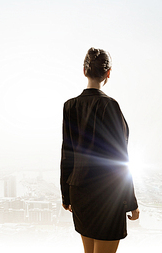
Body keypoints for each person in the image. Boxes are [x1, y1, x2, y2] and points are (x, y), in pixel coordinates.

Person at [60, 47, 140, 253]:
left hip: (79, 193)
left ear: (84, 71)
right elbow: (120, 158)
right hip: (106, 196)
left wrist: (66, 195)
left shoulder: (70, 106)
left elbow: (67, 154)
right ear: (109, 72)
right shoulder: (110, 106)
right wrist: (130, 201)